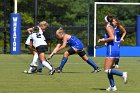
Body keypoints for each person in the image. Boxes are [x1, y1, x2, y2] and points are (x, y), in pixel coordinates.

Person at [98, 15, 127, 91]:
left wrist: (103, 40)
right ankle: (112, 86)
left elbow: (112, 38)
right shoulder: (111, 27)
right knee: (109, 69)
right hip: (115, 48)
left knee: (106, 70)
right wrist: (104, 39)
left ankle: (122, 74)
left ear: (106, 21)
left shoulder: (108, 27)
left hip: (111, 49)